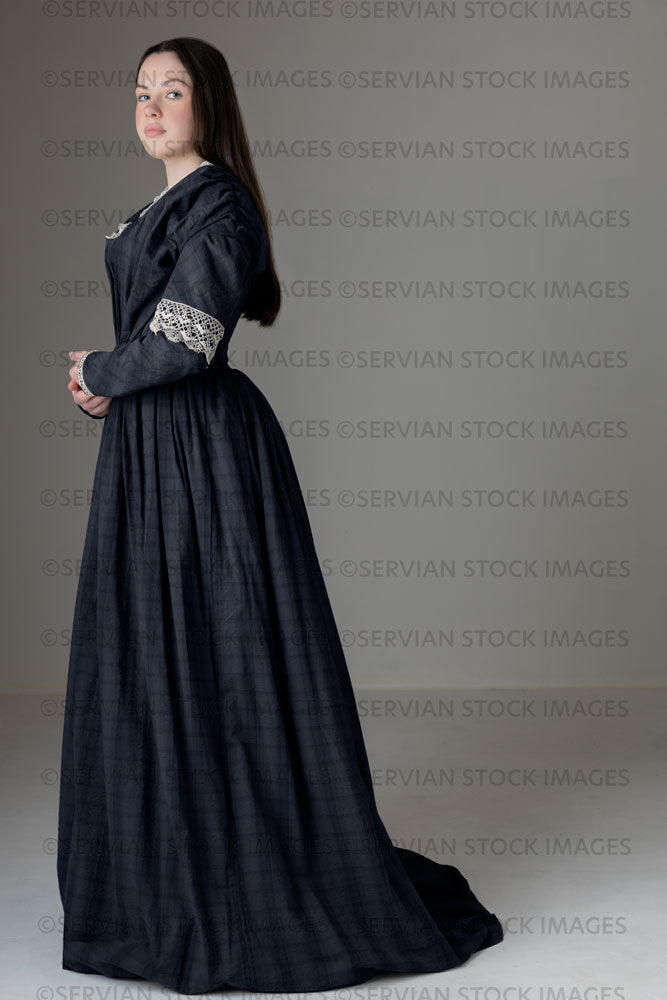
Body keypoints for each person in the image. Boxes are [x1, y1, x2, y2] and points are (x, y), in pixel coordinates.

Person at [57, 36, 504, 996]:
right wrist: (110, 386)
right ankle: (160, 871)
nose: (152, 106)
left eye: (172, 91)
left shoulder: (220, 202)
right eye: (141, 91)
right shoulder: (160, 205)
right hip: (147, 450)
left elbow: (185, 340)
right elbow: (157, 337)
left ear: (208, 104)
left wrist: (101, 371)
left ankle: (244, 873)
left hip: (202, 455)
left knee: (224, 654)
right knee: (154, 654)